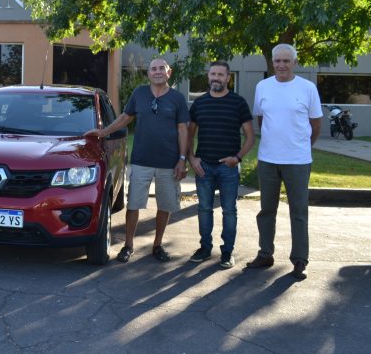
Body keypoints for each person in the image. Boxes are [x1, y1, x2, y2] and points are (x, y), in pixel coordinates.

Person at [86, 58, 189, 263]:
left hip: (168, 162)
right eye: (153, 69)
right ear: (148, 73)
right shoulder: (139, 94)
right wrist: (104, 131)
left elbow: (183, 130)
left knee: (165, 206)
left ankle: (157, 245)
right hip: (141, 160)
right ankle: (128, 245)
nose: (157, 72)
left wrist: (182, 159)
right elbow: (125, 117)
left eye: (162, 68)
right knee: (133, 205)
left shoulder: (177, 98)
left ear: (169, 73)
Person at [247, 44, 322, 280]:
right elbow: (262, 120)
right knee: (266, 210)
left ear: (295, 63)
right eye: (277, 61)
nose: (281, 65)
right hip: (268, 159)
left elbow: (315, 125)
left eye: (286, 61)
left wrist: (301, 146)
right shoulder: (263, 86)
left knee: (298, 212)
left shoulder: (307, 88)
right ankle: (265, 254)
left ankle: (300, 260)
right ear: (272, 62)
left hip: (297, 161)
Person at [187, 61, 254, 269]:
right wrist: (192, 159)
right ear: (208, 76)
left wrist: (238, 158)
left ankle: (227, 252)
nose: (216, 78)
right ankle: (205, 248)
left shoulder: (238, 103)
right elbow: (189, 135)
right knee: (204, 209)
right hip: (203, 166)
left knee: (229, 210)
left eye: (220, 74)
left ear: (228, 78)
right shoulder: (199, 104)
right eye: (212, 74)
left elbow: (250, 136)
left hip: (229, 167)